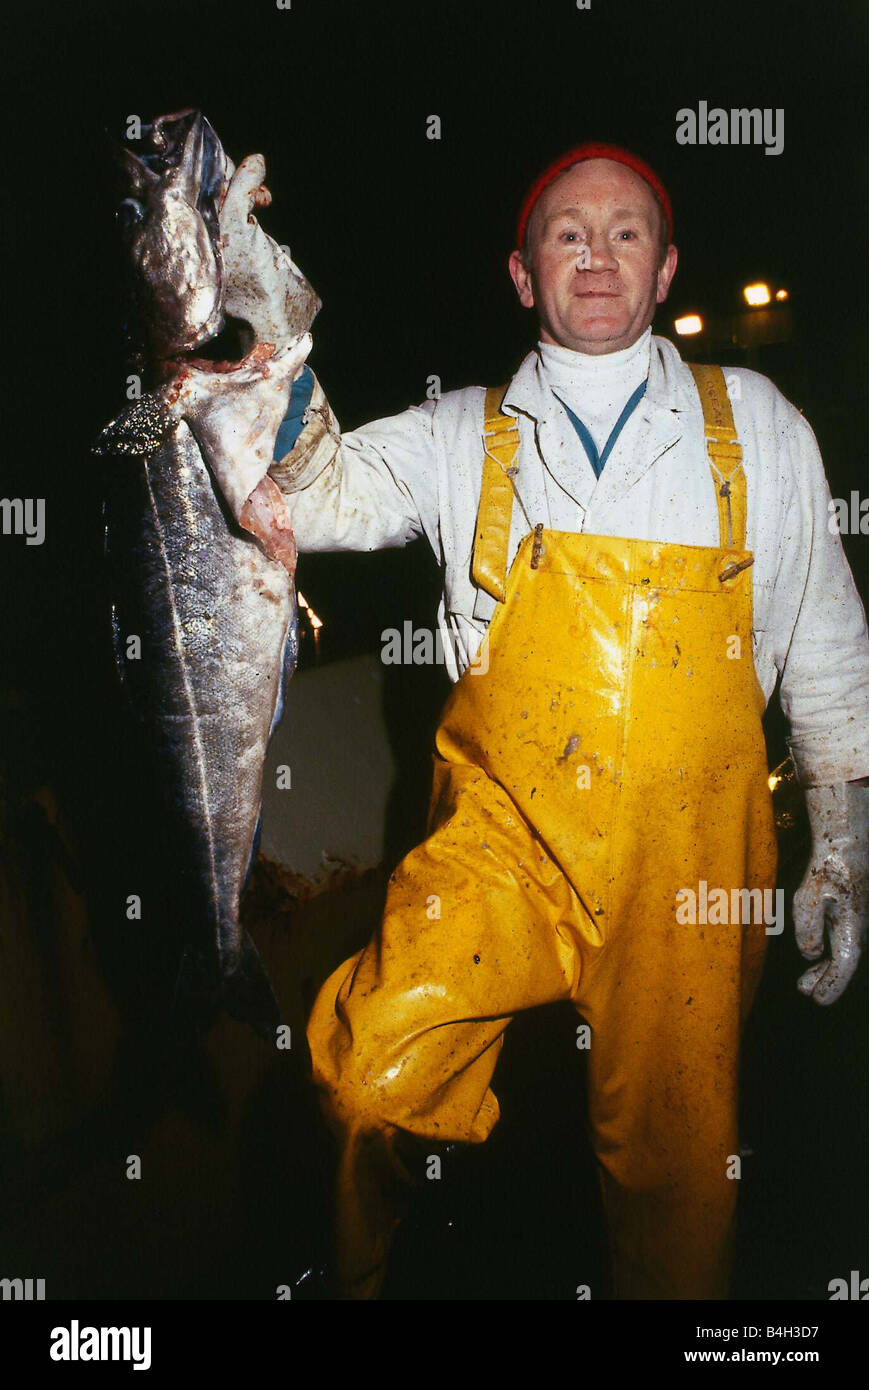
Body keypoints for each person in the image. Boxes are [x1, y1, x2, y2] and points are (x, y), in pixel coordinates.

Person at [225, 142, 869, 1299]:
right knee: (364, 1075)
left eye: (624, 232)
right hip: (504, 841)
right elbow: (299, 498)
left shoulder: (755, 423)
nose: (595, 254)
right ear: (522, 275)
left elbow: (825, 637)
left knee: (678, 1185)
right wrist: (258, 294)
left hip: (691, 856)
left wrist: (841, 841)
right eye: (564, 233)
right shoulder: (454, 433)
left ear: (664, 267)